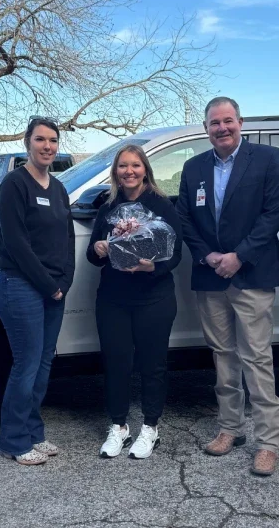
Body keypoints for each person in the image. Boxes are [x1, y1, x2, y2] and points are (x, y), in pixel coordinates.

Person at [176, 97, 279, 476]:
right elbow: (185, 219)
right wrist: (208, 256)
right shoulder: (193, 167)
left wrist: (239, 256)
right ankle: (230, 428)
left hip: (251, 273)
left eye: (228, 121)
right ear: (206, 128)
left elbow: (274, 212)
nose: (222, 128)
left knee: (256, 357)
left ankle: (268, 442)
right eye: (214, 123)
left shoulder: (267, 159)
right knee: (223, 355)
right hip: (210, 276)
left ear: (240, 122)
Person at [86, 144, 182, 460]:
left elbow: (175, 254)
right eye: (123, 166)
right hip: (113, 299)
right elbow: (92, 256)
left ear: (145, 170)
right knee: (116, 364)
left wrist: (151, 266)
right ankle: (118, 426)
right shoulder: (107, 208)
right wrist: (100, 248)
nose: (129, 171)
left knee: (152, 366)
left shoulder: (162, 206)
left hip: (154, 298)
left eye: (136, 166)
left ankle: (150, 427)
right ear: (116, 172)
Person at [0, 116, 75, 465]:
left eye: (53, 141)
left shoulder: (57, 188)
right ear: (28, 142)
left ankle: (34, 433)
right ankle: (13, 440)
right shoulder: (14, 184)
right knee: (26, 365)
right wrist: (48, 286)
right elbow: (16, 244)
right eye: (40, 139)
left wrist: (64, 284)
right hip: (21, 286)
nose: (47, 146)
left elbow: (67, 239)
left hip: (53, 290)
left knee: (43, 364)